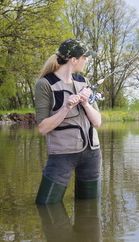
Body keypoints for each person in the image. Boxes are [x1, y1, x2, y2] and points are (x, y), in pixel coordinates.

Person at [35, 38, 102, 204]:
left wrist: (86, 104)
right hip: (62, 155)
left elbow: (98, 122)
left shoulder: (83, 81)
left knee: (90, 209)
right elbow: (43, 128)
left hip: (92, 154)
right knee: (46, 206)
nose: (86, 62)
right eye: (84, 58)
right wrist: (65, 108)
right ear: (74, 60)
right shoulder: (45, 84)